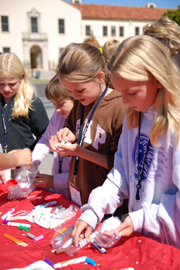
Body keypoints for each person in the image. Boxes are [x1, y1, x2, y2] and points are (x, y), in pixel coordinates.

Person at [71, 35, 180, 249]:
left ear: (158, 79)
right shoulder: (133, 117)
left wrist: (141, 218)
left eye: (131, 92)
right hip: (143, 238)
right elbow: (120, 172)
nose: (125, 101)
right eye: (120, 93)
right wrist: (94, 209)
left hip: (170, 244)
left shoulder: (175, 127)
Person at [49, 42, 127, 207]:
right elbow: (72, 127)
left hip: (107, 204)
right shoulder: (81, 101)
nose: (75, 97)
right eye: (69, 92)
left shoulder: (120, 106)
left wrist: (78, 151)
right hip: (78, 194)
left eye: (80, 91)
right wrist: (67, 135)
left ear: (100, 77)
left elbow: (117, 164)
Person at [32, 75, 74, 198]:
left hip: (76, 191)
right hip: (60, 189)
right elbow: (46, 139)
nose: (57, 109)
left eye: (61, 104)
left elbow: (82, 172)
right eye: (54, 104)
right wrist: (34, 162)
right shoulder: (58, 116)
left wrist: (53, 181)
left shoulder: (82, 122)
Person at [0, 53, 49, 153]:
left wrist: (29, 152)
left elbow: (45, 135)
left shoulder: (32, 102)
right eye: (1, 84)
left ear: (21, 77)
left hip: (24, 165)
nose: (6, 89)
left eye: (12, 84)